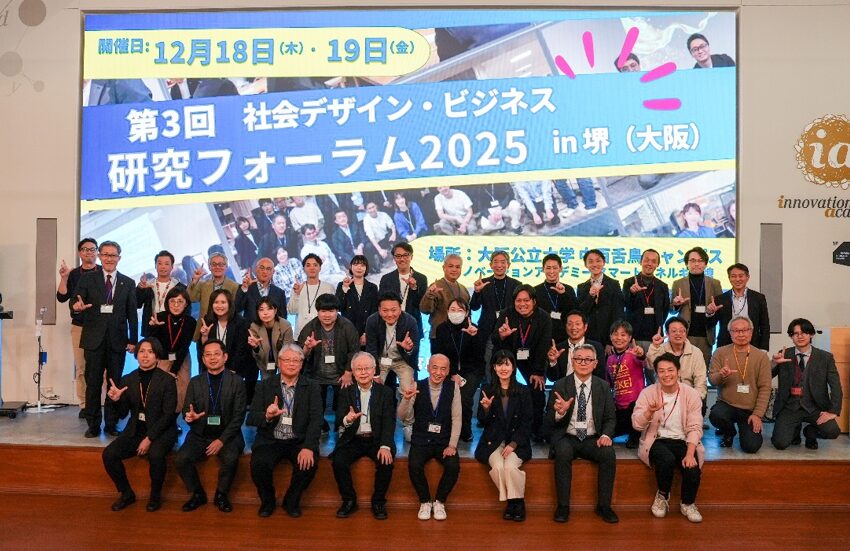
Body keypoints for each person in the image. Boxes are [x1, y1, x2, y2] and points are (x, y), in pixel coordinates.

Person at [544, 344, 618, 524]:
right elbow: (547, 421)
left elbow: (610, 418)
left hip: (593, 438)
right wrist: (560, 413)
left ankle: (604, 506)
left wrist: (606, 435)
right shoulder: (560, 385)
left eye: (588, 360)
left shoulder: (603, 386)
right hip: (567, 437)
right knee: (562, 452)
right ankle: (563, 506)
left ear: (595, 363)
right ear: (572, 361)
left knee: (608, 454)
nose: (583, 363)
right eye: (579, 359)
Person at [102, 338, 177, 512]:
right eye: (142, 351)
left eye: (150, 352)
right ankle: (126, 493)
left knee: (156, 455)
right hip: (136, 429)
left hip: (162, 430)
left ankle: (155, 496)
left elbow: (168, 415)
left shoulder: (167, 380)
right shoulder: (128, 379)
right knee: (109, 454)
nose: (145, 355)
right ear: (136, 355)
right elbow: (122, 413)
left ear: (157, 356)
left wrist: (149, 439)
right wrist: (115, 400)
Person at [73, 240, 138, 438]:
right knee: (93, 383)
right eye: (106, 255)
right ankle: (93, 424)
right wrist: (76, 308)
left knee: (114, 383)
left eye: (113, 255)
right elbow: (75, 302)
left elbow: (132, 314)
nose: (109, 259)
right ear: (100, 256)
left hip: (117, 341)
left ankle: (111, 423)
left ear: (119, 258)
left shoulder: (128, 282)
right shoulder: (88, 279)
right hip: (93, 340)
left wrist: (133, 340)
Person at [248, 344, 322, 518]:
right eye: (287, 360)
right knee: (259, 464)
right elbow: (251, 418)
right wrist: (267, 415)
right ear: (279, 362)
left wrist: (308, 447)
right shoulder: (265, 385)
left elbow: (316, 419)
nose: (291, 364)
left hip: (298, 440)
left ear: (301, 364)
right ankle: (268, 500)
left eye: (296, 360)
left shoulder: (312, 386)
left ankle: (292, 500)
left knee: (308, 465)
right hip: (270, 439)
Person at [631, 353, 705, 523]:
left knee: (692, 468)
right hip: (656, 439)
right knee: (666, 460)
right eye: (661, 371)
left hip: (683, 440)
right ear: (657, 374)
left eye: (670, 370)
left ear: (678, 371)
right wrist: (649, 412)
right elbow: (637, 425)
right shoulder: (648, 393)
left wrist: (690, 453)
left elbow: (695, 426)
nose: (666, 374)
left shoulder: (691, 394)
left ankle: (688, 503)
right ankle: (662, 496)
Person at [175, 339, 247, 513]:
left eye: (216, 354)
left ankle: (221, 494)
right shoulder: (195, 381)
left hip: (228, 435)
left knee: (231, 458)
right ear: (203, 359)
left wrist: (221, 440)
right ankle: (197, 494)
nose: (212, 358)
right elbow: (187, 410)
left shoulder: (237, 381)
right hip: (200, 434)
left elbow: (238, 417)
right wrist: (189, 417)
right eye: (208, 354)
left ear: (225, 357)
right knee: (181, 458)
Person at [331, 352, 397, 519]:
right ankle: (349, 500)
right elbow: (338, 420)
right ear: (353, 372)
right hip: (353, 438)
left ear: (374, 370)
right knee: (338, 461)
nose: (363, 372)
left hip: (377, 439)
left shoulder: (386, 392)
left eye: (367, 368)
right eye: (359, 369)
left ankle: (378, 502)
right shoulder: (346, 392)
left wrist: (385, 446)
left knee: (386, 461)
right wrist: (347, 419)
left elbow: (389, 422)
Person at [398, 354, 462, 521]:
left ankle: (440, 501)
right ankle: (425, 501)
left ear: (448, 371)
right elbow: (402, 417)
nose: (438, 372)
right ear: (427, 367)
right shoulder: (417, 385)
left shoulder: (453, 387)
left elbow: (457, 418)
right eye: (434, 367)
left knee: (453, 465)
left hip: (444, 440)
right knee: (414, 464)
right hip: (421, 439)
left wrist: (452, 445)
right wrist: (406, 400)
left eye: (443, 369)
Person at [475, 350, 533, 521]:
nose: (503, 368)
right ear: (494, 367)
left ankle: (516, 503)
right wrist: (486, 408)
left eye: (507, 364)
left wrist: (514, 444)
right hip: (493, 441)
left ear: (513, 367)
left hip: (517, 442)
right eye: (499, 364)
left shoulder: (523, 390)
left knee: (510, 467)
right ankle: (513, 501)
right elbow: (482, 421)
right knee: (499, 467)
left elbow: (528, 421)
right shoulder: (487, 389)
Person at [770, 318, 842, 450]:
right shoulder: (784, 354)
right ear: (791, 337)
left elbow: (836, 385)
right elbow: (767, 376)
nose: (800, 336)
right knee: (780, 443)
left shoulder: (825, 357)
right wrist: (774, 363)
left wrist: (833, 411)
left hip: (815, 407)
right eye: (795, 333)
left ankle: (810, 432)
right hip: (789, 406)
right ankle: (794, 430)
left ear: (811, 334)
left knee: (832, 431)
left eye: (804, 332)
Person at [492, 284, 551, 442]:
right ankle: (500, 427)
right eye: (518, 301)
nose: (522, 304)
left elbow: (544, 345)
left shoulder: (544, 317)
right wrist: (502, 336)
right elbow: (494, 339)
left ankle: (536, 428)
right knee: (502, 387)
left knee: (537, 388)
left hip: (533, 358)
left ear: (534, 301)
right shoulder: (506, 314)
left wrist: (538, 372)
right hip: (508, 356)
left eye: (526, 300)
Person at [708, 316, 772, 453]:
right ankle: (729, 432)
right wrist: (721, 375)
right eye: (736, 331)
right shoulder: (720, 353)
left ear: (751, 332)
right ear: (730, 333)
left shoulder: (761, 357)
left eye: (745, 330)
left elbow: (765, 388)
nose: (741, 334)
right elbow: (712, 380)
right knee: (716, 415)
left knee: (751, 447)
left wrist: (757, 415)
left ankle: (745, 430)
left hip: (749, 409)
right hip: (727, 404)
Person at [298, 293, 359, 433]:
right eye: (323, 311)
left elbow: (354, 351)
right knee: (316, 407)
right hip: (316, 375)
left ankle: (342, 426)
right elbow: (300, 356)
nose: (327, 315)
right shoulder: (310, 327)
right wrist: (307, 347)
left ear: (337, 311)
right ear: (318, 312)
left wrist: (348, 373)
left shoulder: (347, 326)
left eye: (331, 311)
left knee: (342, 406)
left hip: (341, 374)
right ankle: (321, 426)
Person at [56, 237, 99, 416]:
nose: (89, 252)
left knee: (100, 368)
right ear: (80, 253)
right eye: (85, 249)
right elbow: (61, 297)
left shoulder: (103, 272)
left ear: (97, 253)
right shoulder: (73, 274)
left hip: (99, 326)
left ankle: (102, 402)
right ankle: (84, 404)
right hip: (79, 326)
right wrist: (64, 278)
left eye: (92, 249)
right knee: (81, 367)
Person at [433, 298, 485, 442]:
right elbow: (438, 354)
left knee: (464, 397)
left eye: (460, 310)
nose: (456, 313)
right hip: (448, 370)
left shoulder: (474, 328)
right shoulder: (442, 329)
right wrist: (452, 373)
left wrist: (475, 337)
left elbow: (479, 357)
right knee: (446, 394)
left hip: (472, 371)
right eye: (453, 310)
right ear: (447, 311)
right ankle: (445, 429)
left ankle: (465, 431)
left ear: (467, 313)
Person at [365, 290, 420, 405]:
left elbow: (415, 350)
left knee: (408, 393)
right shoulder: (372, 321)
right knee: (373, 390)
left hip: (402, 361)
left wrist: (408, 349)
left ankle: (406, 417)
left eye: (394, 310)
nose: (390, 314)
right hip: (380, 360)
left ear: (400, 308)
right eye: (385, 310)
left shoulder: (410, 321)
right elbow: (371, 349)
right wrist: (376, 375)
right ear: (379, 310)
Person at [671, 246, 722, 366]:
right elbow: (671, 310)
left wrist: (712, 312)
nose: (696, 264)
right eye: (692, 261)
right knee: (683, 369)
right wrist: (676, 305)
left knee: (702, 370)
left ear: (705, 264)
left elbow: (720, 309)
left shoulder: (715, 283)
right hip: (685, 335)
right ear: (686, 264)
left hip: (706, 335)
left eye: (700, 261)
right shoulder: (678, 283)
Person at [148, 287, 196, 412]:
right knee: (159, 391)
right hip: (162, 358)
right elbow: (152, 344)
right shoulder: (159, 317)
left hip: (181, 358)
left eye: (180, 301)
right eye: (172, 301)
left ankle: (174, 418)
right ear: (167, 302)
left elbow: (184, 347)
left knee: (181, 391)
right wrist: (154, 328)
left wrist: (174, 371)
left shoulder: (190, 322)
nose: (176, 305)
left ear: (186, 304)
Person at [198, 289, 251, 399]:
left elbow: (241, 350)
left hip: (233, 370)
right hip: (212, 368)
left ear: (230, 304)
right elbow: (203, 348)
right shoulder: (208, 320)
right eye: (216, 302)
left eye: (223, 302)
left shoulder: (240, 322)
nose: (219, 306)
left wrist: (232, 370)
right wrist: (204, 336)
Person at [471, 250, 522, 367]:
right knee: (488, 363)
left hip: (509, 331)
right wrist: (477, 291)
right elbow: (474, 307)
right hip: (487, 331)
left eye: (503, 262)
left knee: (509, 363)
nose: (499, 265)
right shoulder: (483, 283)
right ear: (491, 265)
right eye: (496, 262)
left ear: (508, 265)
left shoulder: (516, 284)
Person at [645, 317, 708, 407]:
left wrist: (695, 399)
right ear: (667, 333)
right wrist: (655, 346)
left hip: (689, 396)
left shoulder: (696, 352)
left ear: (686, 333)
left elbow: (700, 380)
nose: (678, 333)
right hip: (664, 396)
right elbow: (651, 365)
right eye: (674, 331)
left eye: (682, 331)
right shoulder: (660, 349)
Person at [708, 263, 770, 350]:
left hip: (753, 344)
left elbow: (765, 325)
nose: (737, 279)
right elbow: (710, 324)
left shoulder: (758, 298)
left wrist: (763, 348)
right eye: (733, 276)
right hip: (726, 344)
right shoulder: (720, 299)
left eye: (741, 276)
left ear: (747, 277)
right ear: (729, 278)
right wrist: (710, 313)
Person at [606, 321, 647, 449]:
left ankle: (635, 435)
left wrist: (641, 355)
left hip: (635, 405)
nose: (619, 338)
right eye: (615, 334)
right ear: (610, 337)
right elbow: (608, 384)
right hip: (619, 406)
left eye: (623, 335)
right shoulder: (610, 359)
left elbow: (645, 362)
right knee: (606, 433)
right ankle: (628, 430)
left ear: (629, 338)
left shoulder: (634, 354)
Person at [420, 253, 470, 351]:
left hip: (461, 336)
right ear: (444, 268)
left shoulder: (464, 289)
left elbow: (468, 313)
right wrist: (430, 295)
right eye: (450, 266)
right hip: (439, 336)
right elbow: (425, 310)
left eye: (458, 267)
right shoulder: (435, 286)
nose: (454, 270)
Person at [378, 242, 428, 339]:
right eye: (398, 256)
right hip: (389, 325)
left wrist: (414, 288)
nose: (402, 259)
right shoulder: (386, 279)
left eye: (405, 255)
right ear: (394, 258)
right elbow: (380, 304)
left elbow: (422, 306)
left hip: (412, 325)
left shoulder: (421, 278)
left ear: (411, 257)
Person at [622, 249, 669, 351]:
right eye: (646, 260)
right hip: (633, 335)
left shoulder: (662, 286)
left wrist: (659, 323)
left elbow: (665, 310)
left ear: (657, 264)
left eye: (653, 261)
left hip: (655, 336)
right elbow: (625, 305)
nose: (649, 264)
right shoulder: (629, 282)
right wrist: (632, 293)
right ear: (640, 262)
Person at [187, 251, 239, 343]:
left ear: (226, 267)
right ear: (209, 267)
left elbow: (237, 309)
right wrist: (195, 280)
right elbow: (191, 298)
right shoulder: (203, 285)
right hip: (204, 329)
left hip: (226, 329)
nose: (217, 267)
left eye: (221, 264)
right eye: (214, 264)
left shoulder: (234, 286)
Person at [577, 249, 625, 348]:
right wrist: (591, 296)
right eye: (590, 261)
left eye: (598, 261)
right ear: (586, 265)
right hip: (587, 337)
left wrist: (611, 340)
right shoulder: (582, 287)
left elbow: (618, 313)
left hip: (608, 338)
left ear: (604, 262)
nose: (595, 264)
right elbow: (581, 313)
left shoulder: (614, 284)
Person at [136, 250, 185, 337]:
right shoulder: (147, 285)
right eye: (160, 263)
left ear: (172, 266)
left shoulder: (180, 287)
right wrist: (140, 289)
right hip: (151, 328)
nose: (163, 267)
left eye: (166, 264)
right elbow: (137, 304)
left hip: (173, 328)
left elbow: (186, 310)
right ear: (155, 266)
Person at [547, 310, 606, 381]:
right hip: (564, 387)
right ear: (566, 326)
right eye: (570, 324)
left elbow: (600, 376)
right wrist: (552, 362)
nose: (573, 327)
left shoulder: (596, 347)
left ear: (585, 327)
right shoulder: (558, 349)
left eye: (577, 324)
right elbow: (552, 378)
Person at [534, 253, 579, 345]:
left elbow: (575, 311)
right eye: (548, 268)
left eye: (555, 268)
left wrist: (563, 294)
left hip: (566, 336)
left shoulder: (568, 289)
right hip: (543, 336)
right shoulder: (535, 290)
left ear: (560, 269)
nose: (551, 271)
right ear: (543, 269)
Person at [335, 254, 379, 346]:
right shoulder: (341, 285)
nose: (359, 267)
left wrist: (366, 333)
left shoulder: (373, 287)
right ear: (350, 267)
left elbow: (374, 311)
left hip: (367, 333)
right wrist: (345, 288)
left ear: (366, 268)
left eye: (362, 265)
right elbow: (338, 307)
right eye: (356, 264)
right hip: (347, 332)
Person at [287, 253, 335, 336]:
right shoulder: (298, 288)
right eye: (308, 265)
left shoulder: (328, 288)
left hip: (324, 335)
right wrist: (297, 294)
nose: (312, 268)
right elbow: (292, 311)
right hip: (301, 335)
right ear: (304, 269)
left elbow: (333, 312)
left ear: (320, 268)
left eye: (315, 265)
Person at [248, 298, 294, 382]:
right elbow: (259, 357)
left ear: (275, 310)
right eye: (261, 310)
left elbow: (288, 349)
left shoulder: (285, 325)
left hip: (284, 361)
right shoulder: (254, 327)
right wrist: (256, 347)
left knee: (284, 383)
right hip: (264, 363)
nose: (265, 313)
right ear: (257, 312)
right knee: (267, 384)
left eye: (269, 309)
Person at [235, 257, 287, 325]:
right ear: (256, 269)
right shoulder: (246, 288)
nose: (265, 271)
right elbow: (237, 309)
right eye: (262, 268)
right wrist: (244, 288)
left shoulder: (280, 293)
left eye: (268, 269)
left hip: (272, 331)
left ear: (273, 272)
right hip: (250, 330)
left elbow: (283, 319)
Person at [362, 202, 397, 268]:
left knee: (394, 236)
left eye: (373, 207)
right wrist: (380, 250)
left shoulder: (383, 214)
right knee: (368, 246)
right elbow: (371, 237)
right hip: (376, 242)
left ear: (376, 207)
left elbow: (392, 225)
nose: (372, 210)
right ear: (366, 210)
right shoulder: (366, 220)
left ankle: (396, 256)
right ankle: (377, 259)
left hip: (385, 238)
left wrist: (394, 234)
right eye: (369, 208)